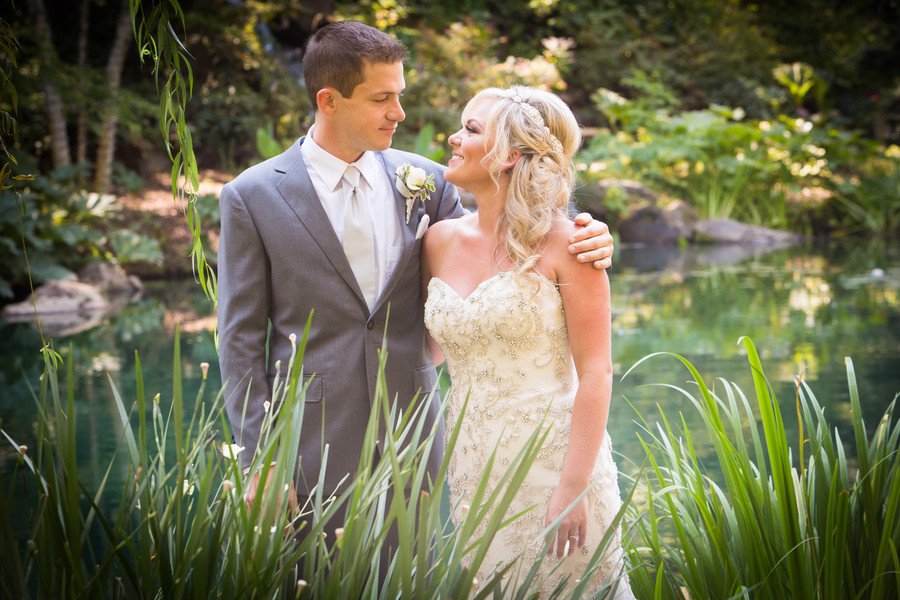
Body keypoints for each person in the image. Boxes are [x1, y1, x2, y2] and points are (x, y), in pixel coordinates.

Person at [216, 21, 614, 553]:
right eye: (382, 99)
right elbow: (239, 342)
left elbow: (512, 232)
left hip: (420, 438)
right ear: (329, 100)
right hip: (308, 441)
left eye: (399, 95)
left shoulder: (426, 183)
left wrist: (594, 237)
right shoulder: (252, 195)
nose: (399, 113)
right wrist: (259, 458)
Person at [422, 85, 634, 597]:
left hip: (558, 465)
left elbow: (597, 372)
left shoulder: (570, 244)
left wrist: (573, 485)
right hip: (474, 468)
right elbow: (428, 354)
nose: (453, 136)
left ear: (512, 155)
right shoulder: (437, 240)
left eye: (471, 129)